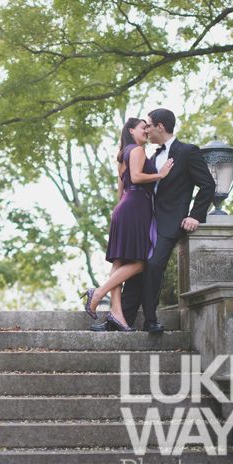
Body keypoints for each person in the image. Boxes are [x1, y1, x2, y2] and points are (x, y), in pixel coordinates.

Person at [90, 108, 216, 333]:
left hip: (169, 222)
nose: (146, 129)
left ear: (160, 126)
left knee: (153, 263)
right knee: (136, 266)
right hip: (143, 218)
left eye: (148, 124)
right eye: (143, 126)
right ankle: (120, 320)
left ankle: (150, 319)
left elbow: (207, 184)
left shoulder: (187, 152)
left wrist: (195, 216)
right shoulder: (149, 156)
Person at [83, 118, 173, 331]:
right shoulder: (138, 150)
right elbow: (136, 176)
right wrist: (160, 175)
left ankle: (117, 313)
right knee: (141, 263)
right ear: (131, 130)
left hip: (124, 206)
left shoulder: (123, 154)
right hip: (136, 207)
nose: (147, 131)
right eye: (143, 127)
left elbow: (120, 189)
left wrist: (119, 213)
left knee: (120, 262)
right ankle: (98, 293)